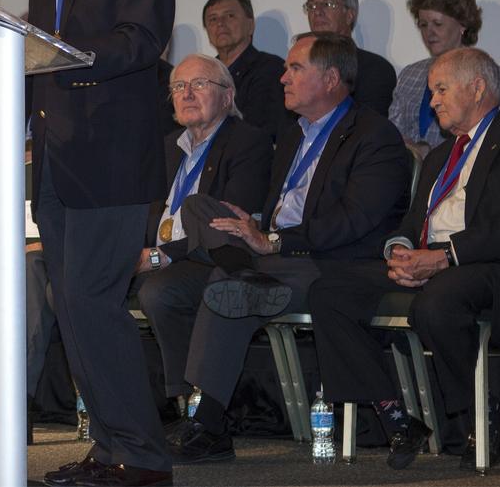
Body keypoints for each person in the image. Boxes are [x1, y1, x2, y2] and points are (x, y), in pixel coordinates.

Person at [167, 32, 409, 465]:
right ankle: (238, 263)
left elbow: (353, 221)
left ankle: (209, 423)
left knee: (227, 285)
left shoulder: (375, 136)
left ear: (332, 78)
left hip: (331, 263)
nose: (282, 78)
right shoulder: (293, 134)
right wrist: (251, 225)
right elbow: (279, 207)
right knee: (201, 209)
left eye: (296, 68)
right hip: (277, 258)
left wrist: (274, 241)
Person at [29, 0, 176, 487]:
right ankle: (112, 443)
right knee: (71, 304)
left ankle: (142, 452)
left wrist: (72, 59)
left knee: (92, 299)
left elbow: (142, 38)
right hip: (55, 158)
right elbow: (29, 55)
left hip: (112, 156)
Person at [309, 47, 500, 471]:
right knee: (329, 291)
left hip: (499, 271)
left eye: (440, 89)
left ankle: (483, 410)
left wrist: (444, 257)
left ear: (478, 87)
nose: (432, 101)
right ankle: (394, 414)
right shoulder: (439, 156)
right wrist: (399, 253)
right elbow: (412, 224)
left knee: (438, 301)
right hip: (437, 265)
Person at [130, 54, 271, 404]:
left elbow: (224, 224)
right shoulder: (166, 147)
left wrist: (161, 257)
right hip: (154, 254)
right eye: (178, 86)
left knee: (158, 291)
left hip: (207, 259)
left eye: (199, 84)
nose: (187, 93)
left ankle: (182, 399)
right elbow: (142, 210)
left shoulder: (247, 143)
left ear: (227, 96)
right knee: (84, 286)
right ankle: (127, 402)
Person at [389, 0, 482, 158]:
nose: (428, 32)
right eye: (423, 24)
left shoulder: (483, 75)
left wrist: (429, 153)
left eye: (437, 24)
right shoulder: (410, 74)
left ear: (462, 25)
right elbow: (393, 130)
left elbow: (481, 140)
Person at [303, 0, 396, 115]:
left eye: (328, 4)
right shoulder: (300, 67)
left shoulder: (375, 69)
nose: (317, 11)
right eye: (312, 5)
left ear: (349, 15)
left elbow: (368, 128)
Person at [202, 0, 285, 137]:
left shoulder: (271, 69)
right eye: (213, 19)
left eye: (230, 16)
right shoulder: (202, 76)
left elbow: (261, 130)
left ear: (251, 25)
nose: (220, 23)